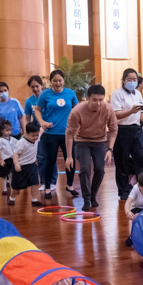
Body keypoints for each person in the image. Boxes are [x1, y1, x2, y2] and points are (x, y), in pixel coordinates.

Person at [65, 84, 118, 211]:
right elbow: (69, 134)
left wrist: (110, 149)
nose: (98, 103)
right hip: (82, 141)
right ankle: (87, 199)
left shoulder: (108, 109)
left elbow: (113, 130)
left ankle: (93, 196)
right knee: (85, 169)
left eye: (101, 100)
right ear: (87, 98)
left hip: (100, 141)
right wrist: (69, 156)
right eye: (94, 100)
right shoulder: (77, 111)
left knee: (100, 169)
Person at [34, 70, 79, 199]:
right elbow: (37, 110)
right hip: (51, 134)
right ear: (51, 82)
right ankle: (48, 187)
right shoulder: (45, 94)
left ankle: (70, 185)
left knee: (70, 159)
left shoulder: (70, 93)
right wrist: (42, 122)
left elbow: (77, 110)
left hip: (68, 134)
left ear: (63, 81)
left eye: (60, 80)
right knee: (50, 161)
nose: (57, 83)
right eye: (55, 80)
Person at [111, 68, 143, 200]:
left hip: (137, 130)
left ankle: (142, 190)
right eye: (129, 79)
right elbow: (116, 115)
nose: (132, 82)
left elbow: (141, 113)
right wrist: (130, 111)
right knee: (122, 162)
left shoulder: (138, 94)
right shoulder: (117, 94)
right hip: (122, 131)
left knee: (142, 158)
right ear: (123, 81)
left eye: (134, 80)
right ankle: (123, 192)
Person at [25, 75, 57, 190]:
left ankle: (53, 182)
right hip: (37, 134)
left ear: (41, 85)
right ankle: (43, 182)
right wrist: (27, 133)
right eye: (32, 87)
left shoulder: (48, 96)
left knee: (52, 157)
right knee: (41, 157)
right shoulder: (29, 101)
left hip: (51, 131)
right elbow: (27, 118)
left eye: (37, 86)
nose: (35, 89)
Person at [9, 122, 41, 206]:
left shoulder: (37, 137)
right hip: (21, 167)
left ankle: (34, 199)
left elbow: (42, 130)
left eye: (37, 135)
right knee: (16, 187)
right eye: (33, 136)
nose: (35, 137)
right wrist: (16, 164)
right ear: (26, 133)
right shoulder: (21, 142)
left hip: (31, 165)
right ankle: (12, 198)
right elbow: (15, 153)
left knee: (35, 183)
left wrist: (46, 125)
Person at [0, 120, 18, 196]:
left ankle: (12, 188)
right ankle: (4, 189)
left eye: (10, 130)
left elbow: (19, 144)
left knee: (11, 175)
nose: (9, 132)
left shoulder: (13, 139)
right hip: (4, 160)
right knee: (4, 176)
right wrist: (1, 160)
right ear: (1, 130)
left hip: (11, 159)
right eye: (7, 130)